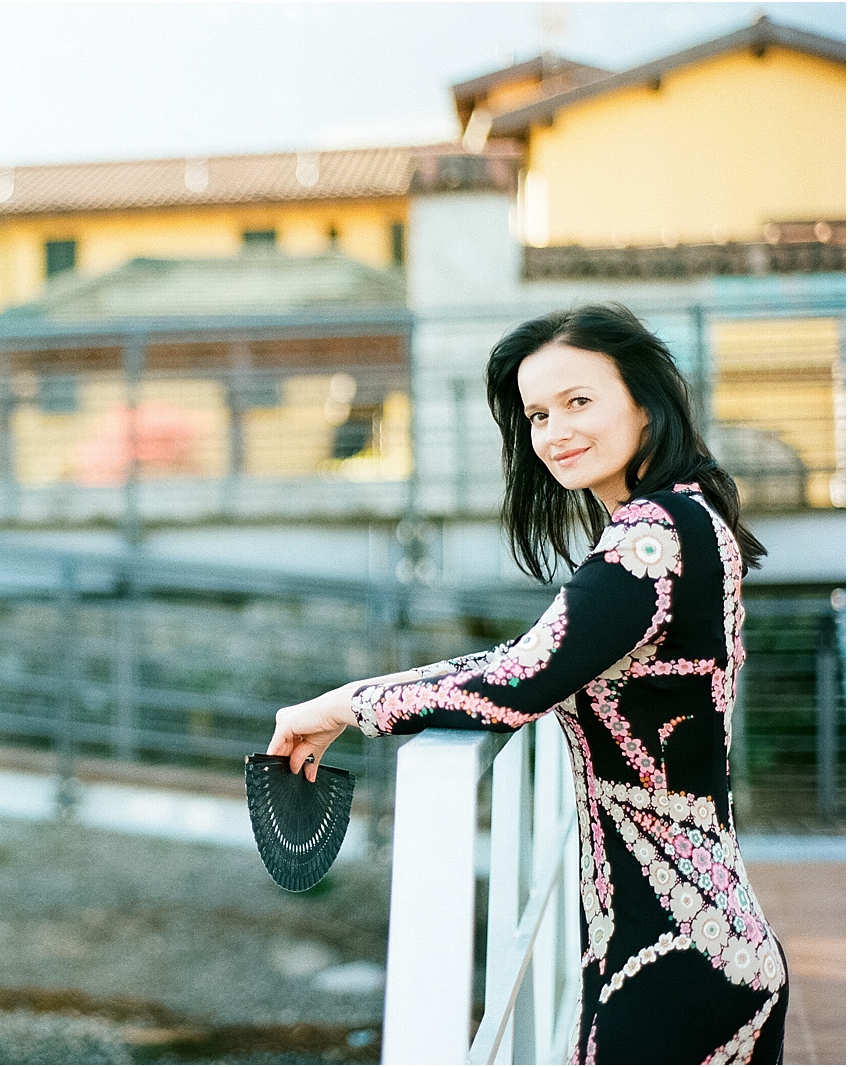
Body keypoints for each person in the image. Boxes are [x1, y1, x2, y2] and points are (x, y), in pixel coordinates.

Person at [269, 304, 787, 1064]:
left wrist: (344, 705)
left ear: (644, 400)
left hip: (669, 967)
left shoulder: (651, 536)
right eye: (538, 413)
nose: (555, 431)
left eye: (580, 401)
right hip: (713, 941)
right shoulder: (696, 514)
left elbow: (516, 680)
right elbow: (536, 651)